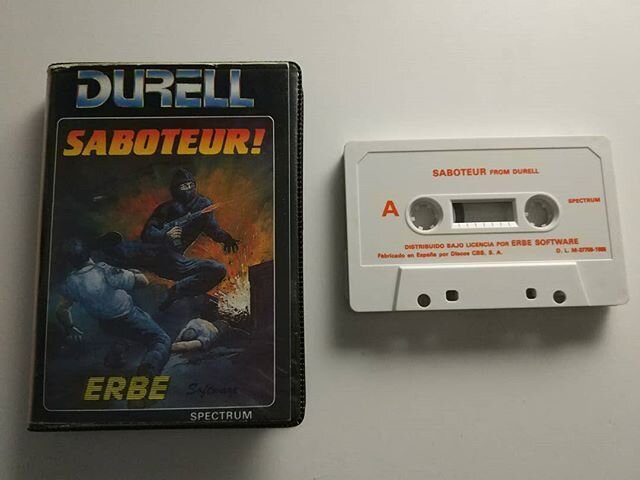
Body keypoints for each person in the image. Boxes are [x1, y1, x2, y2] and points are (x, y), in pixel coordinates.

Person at [101, 168, 239, 311]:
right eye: (183, 186)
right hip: (149, 253)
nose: (188, 189)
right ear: (176, 189)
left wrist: (226, 238)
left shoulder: (203, 205)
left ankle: (175, 293)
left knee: (217, 269)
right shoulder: (166, 209)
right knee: (114, 252)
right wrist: (165, 234)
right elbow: (148, 233)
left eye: (190, 185)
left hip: (173, 261)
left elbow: (212, 228)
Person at [56, 238, 171, 378]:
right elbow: (143, 282)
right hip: (129, 317)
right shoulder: (104, 270)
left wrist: (70, 327)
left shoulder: (70, 282)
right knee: (161, 339)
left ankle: (115, 356)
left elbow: (61, 310)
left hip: (105, 324)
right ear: (89, 253)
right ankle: (148, 370)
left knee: (128, 331)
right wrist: (135, 272)